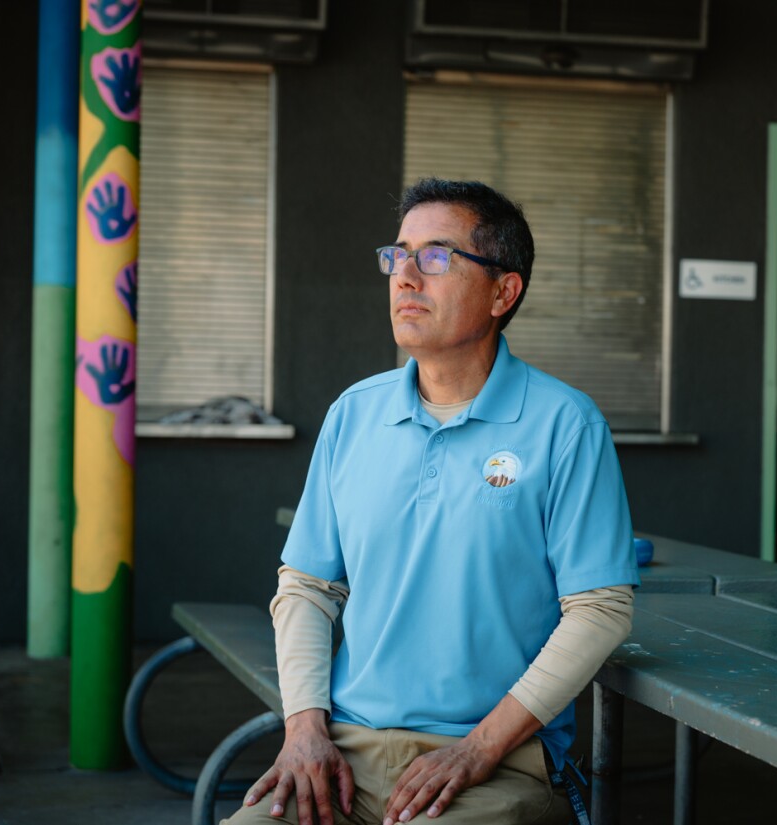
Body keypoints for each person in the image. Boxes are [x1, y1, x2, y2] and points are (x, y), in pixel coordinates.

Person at [226, 179, 640, 825]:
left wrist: (478, 748)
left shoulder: (566, 424)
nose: (406, 276)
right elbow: (306, 585)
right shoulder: (352, 414)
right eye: (397, 255)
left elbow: (599, 610)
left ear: (504, 291)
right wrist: (304, 728)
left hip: (499, 763)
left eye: (438, 256)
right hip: (344, 753)